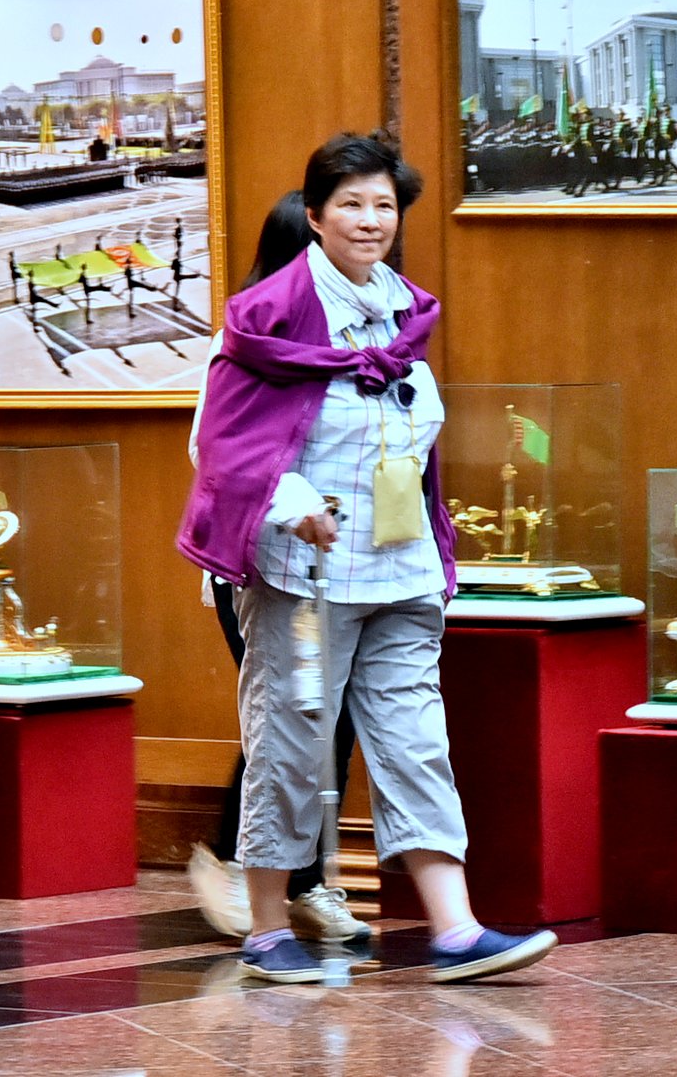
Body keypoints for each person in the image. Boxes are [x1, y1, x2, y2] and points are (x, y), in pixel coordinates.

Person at [179, 132, 558, 985]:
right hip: (304, 578)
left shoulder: (404, 311)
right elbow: (225, 445)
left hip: (400, 567)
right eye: (350, 202)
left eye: (383, 203)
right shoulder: (268, 318)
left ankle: (455, 927)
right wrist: (294, 502)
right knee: (291, 740)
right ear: (313, 215)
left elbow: (409, 434)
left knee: (416, 738)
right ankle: (268, 924)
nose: (369, 219)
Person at [186, 191, 366, 949]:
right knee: (287, 718)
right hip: (263, 573)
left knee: (337, 720)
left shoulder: (361, 335)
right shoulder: (247, 342)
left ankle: (313, 877)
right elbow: (215, 451)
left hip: (346, 572)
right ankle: (238, 860)